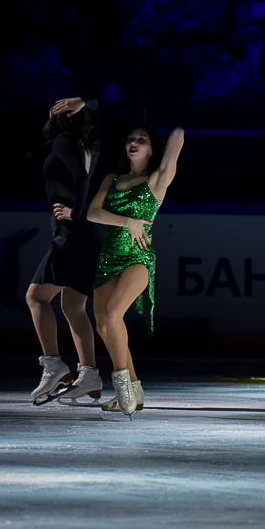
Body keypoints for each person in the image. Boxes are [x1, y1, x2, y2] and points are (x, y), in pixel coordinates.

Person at [87, 124, 185, 417]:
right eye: (130, 139)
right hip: (109, 257)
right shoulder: (112, 179)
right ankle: (135, 387)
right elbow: (92, 213)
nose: (134, 143)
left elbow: (177, 139)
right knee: (103, 325)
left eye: (141, 140)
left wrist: (173, 127)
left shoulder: (156, 181)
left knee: (115, 314)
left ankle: (122, 388)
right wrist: (127, 222)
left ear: (152, 148)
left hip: (138, 258)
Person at [28, 97, 103, 406]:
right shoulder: (91, 142)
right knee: (72, 306)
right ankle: (89, 375)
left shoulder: (64, 140)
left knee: (36, 297)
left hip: (71, 234)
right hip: (84, 235)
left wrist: (76, 211)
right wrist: (86, 101)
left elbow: (82, 178)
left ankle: (53, 362)